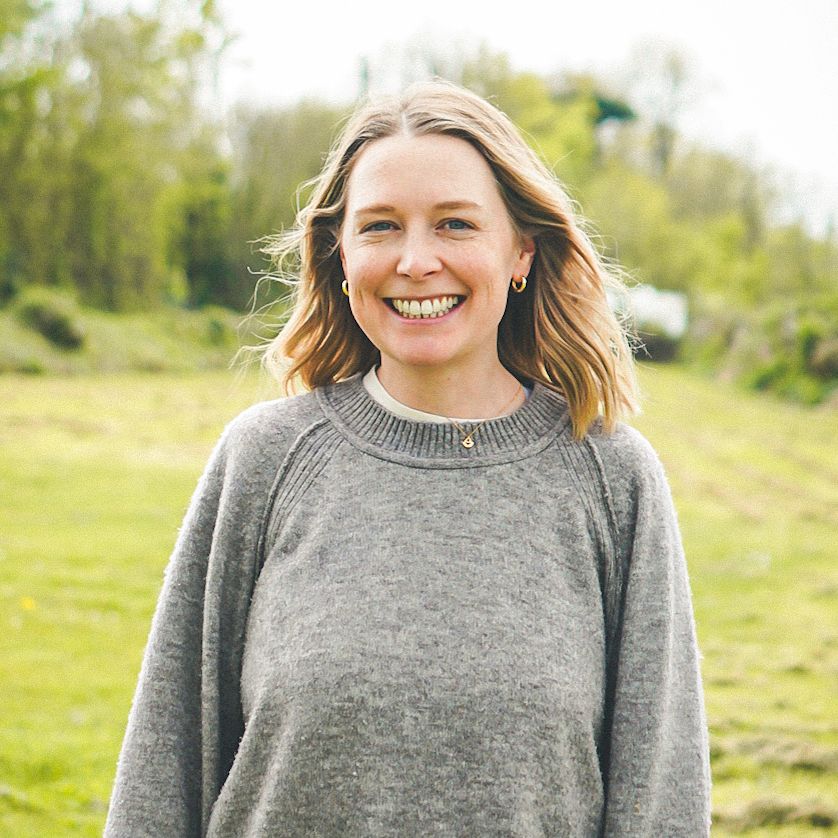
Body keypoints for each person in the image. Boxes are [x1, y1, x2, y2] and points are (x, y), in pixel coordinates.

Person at [105, 80, 711, 837]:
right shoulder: (262, 462)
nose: (416, 261)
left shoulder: (614, 481)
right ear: (342, 252)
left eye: (455, 224)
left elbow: (661, 802)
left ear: (522, 249)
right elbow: (163, 777)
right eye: (381, 226)